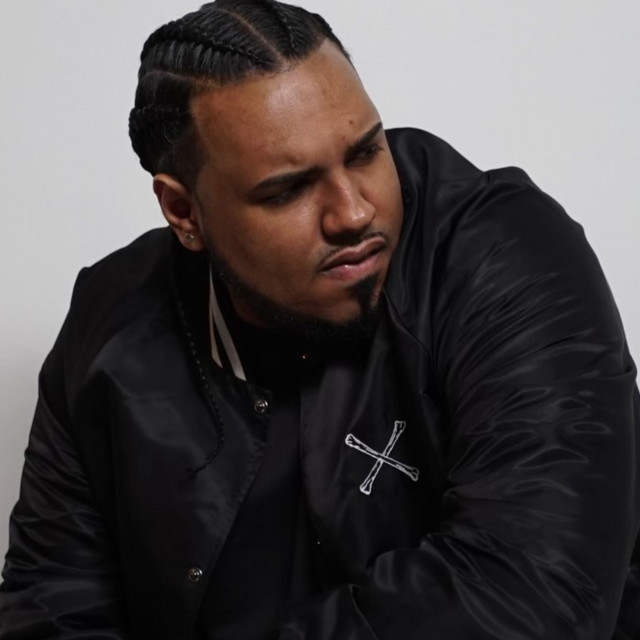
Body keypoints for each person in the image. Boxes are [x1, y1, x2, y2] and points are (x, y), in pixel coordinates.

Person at [1, 0, 639, 637]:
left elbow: (532, 595)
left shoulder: (500, 256)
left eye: (365, 153)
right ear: (184, 211)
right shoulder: (112, 327)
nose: (354, 213)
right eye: (287, 190)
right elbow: (50, 609)